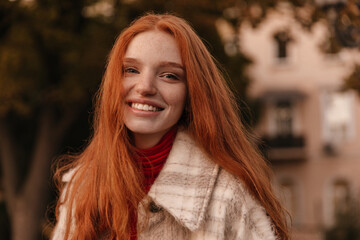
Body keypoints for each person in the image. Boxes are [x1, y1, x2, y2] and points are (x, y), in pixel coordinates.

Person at [52, 13, 289, 240]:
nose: (145, 87)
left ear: (191, 94)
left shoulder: (227, 196)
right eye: (131, 70)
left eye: (169, 76)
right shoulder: (81, 185)